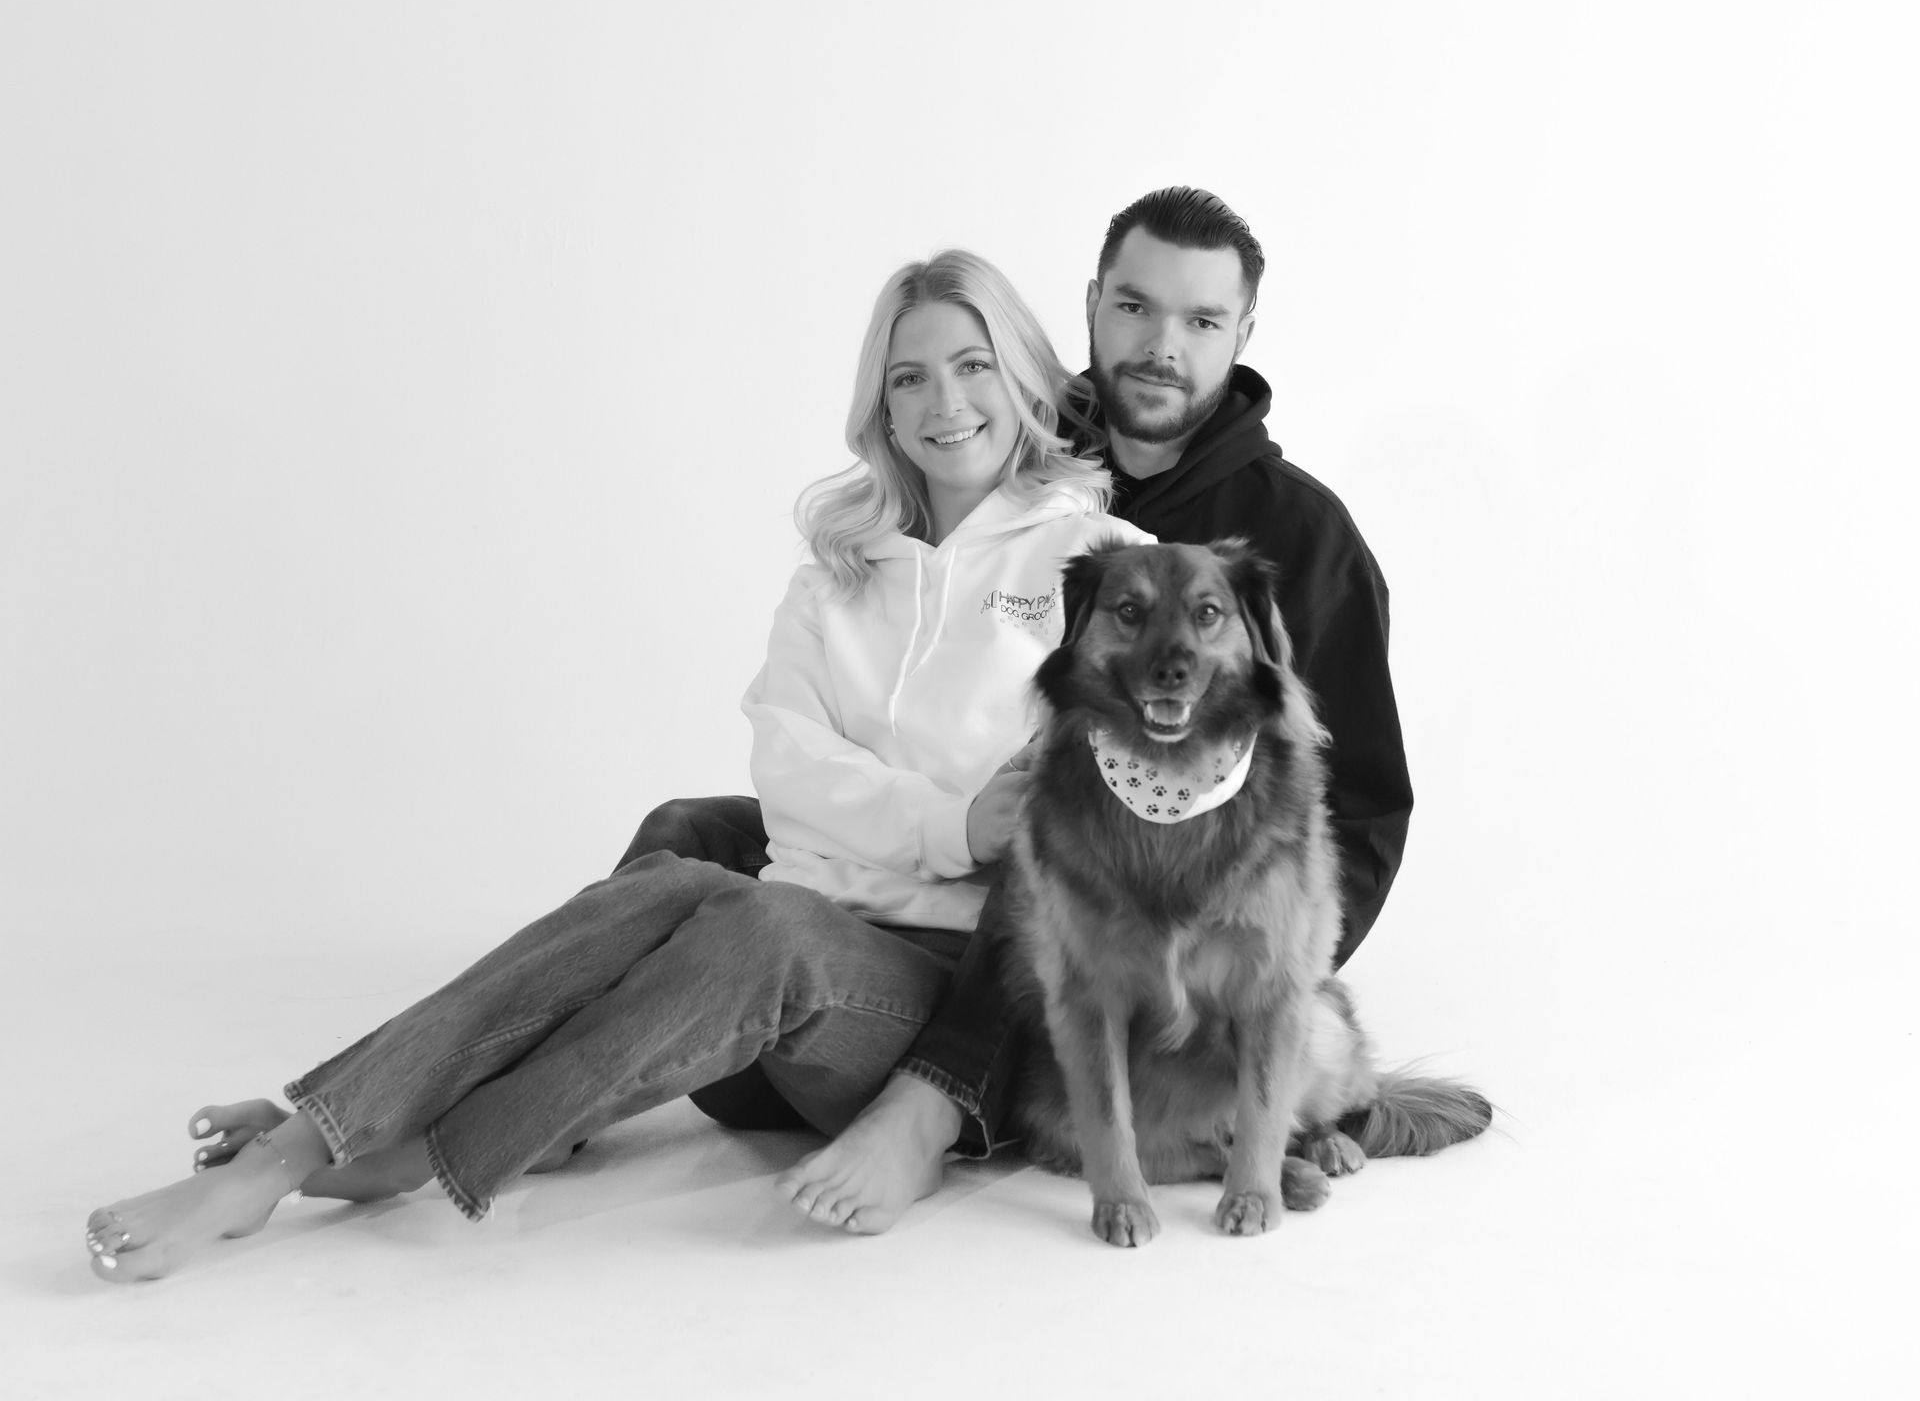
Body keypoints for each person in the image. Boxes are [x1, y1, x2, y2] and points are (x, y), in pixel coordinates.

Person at [82, 249, 1147, 1281]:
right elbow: (789, 766)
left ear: (1020, 376)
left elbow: (1051, 847)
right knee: (693, 878)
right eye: (909, 375)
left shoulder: (1102, 568)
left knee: (754, 915)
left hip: (935, 998)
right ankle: (306, 1146)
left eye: (973, 365)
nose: (944, 401)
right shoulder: (834, 575)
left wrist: (887, 837)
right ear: (879, 403)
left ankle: (417, 1145)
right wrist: (953, 828)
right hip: (788, 941)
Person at [629, 188, 1414, 1235]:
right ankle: (573, 1053)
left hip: (1162, 892)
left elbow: (1356, 804)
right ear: (1090, 304)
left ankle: (929, 1096)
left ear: (1243, 335)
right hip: (969, 811)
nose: (1161, 345)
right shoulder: (1017, 428)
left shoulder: (1298, 535)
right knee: (694, 832)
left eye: (1201, 321)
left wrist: (1243, 989)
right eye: (1135, 307)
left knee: (1045, 829)